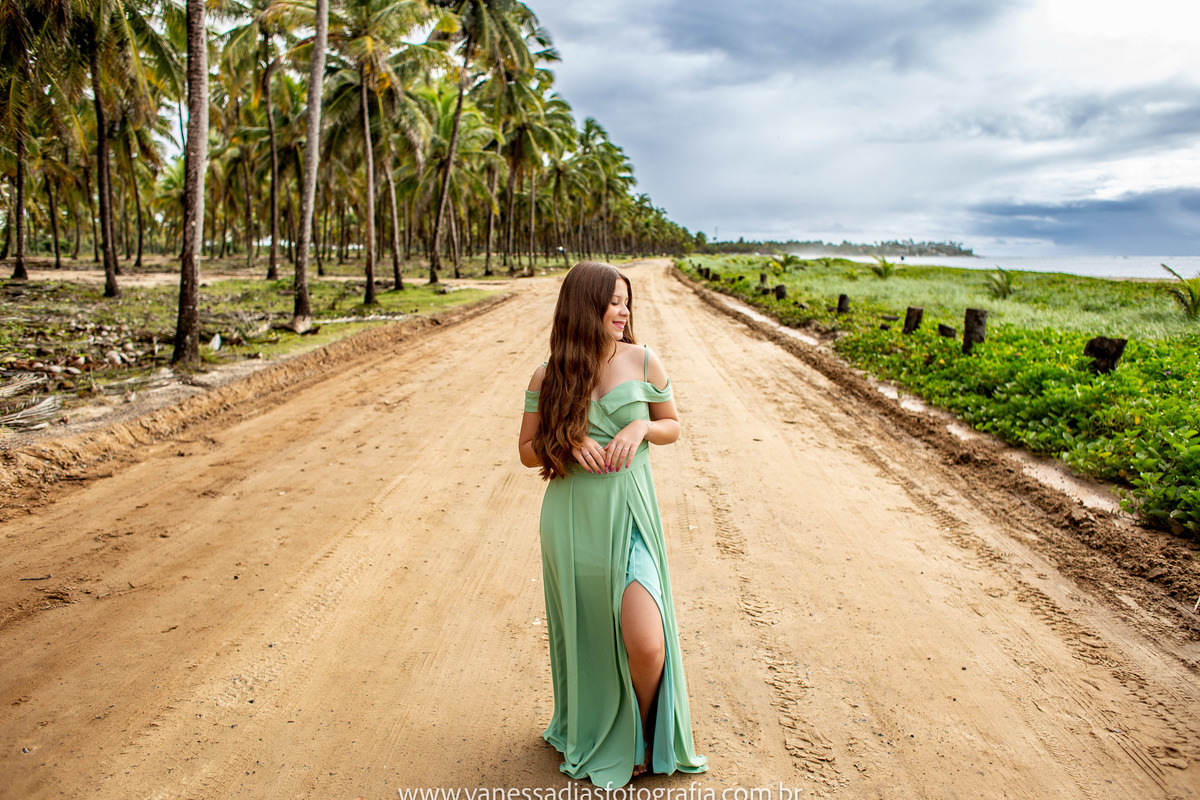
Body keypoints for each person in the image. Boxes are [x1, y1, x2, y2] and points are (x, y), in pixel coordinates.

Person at [518, 261, 708, 788]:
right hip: (573, 516)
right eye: (612, 302)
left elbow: (673, 424)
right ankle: (599, 727)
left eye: (627, 301)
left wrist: (643, 425)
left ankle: (646, 734)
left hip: (630, 511)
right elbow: (528, 453)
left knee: (647, 641)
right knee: (590, 632)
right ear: (585, 306)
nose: (623, 311)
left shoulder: (644, 360)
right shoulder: (549, 374)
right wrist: (565, 442)